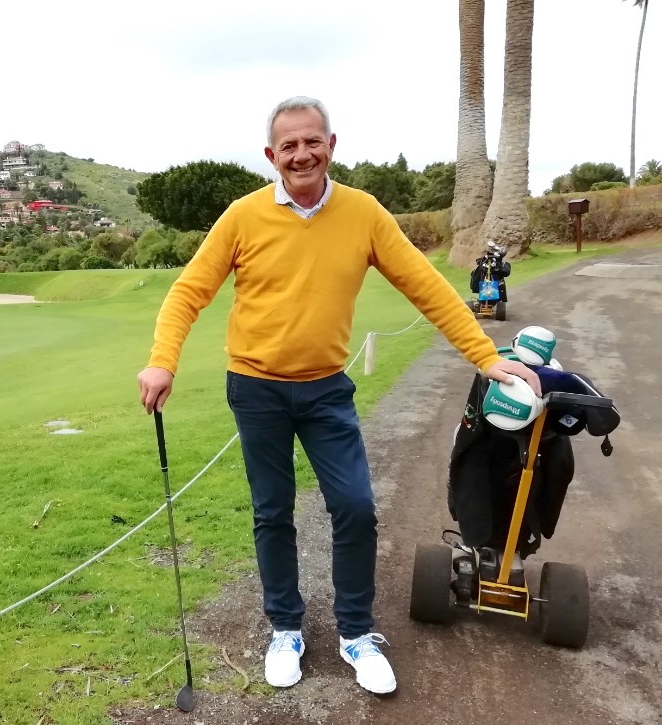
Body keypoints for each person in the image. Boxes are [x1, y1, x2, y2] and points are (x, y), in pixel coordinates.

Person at [136, 96, 542, 695]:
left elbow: (426, 288)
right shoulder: (242, 217)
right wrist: (162, 361)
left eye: (312, 141)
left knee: (354, 506)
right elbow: (188, 292)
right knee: (271, 511)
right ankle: (285, 628)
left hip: (326, 390)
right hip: (256, 389)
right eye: (289, 146)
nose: (302, 154)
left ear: (331, 145)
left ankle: (355, 632)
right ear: (272, 156)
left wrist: (489, 357)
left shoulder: (364, 213)